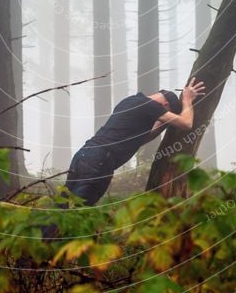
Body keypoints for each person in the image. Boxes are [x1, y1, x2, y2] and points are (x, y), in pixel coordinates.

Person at [64, 77, 206, 206]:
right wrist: (187, 100)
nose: (161, 118)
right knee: (79, 209)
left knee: (63, 205)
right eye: (165, 114)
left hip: (84, 154)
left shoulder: (130, 101)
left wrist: (164, 123)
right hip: (100, 160)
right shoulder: (150, 106)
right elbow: (186, 124)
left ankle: (48, 234)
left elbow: (141, 138)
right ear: (165, 105)